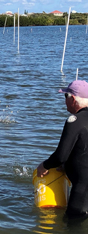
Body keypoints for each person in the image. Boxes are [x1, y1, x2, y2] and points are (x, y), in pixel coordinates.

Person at [37, 80, 88, 221]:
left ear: (72, 99)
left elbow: (61, 155)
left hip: (83, 192)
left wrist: (44, 166)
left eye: (65, 97)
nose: (64, 101)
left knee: (72, 232)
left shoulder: (75, 120)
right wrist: (67, 166)